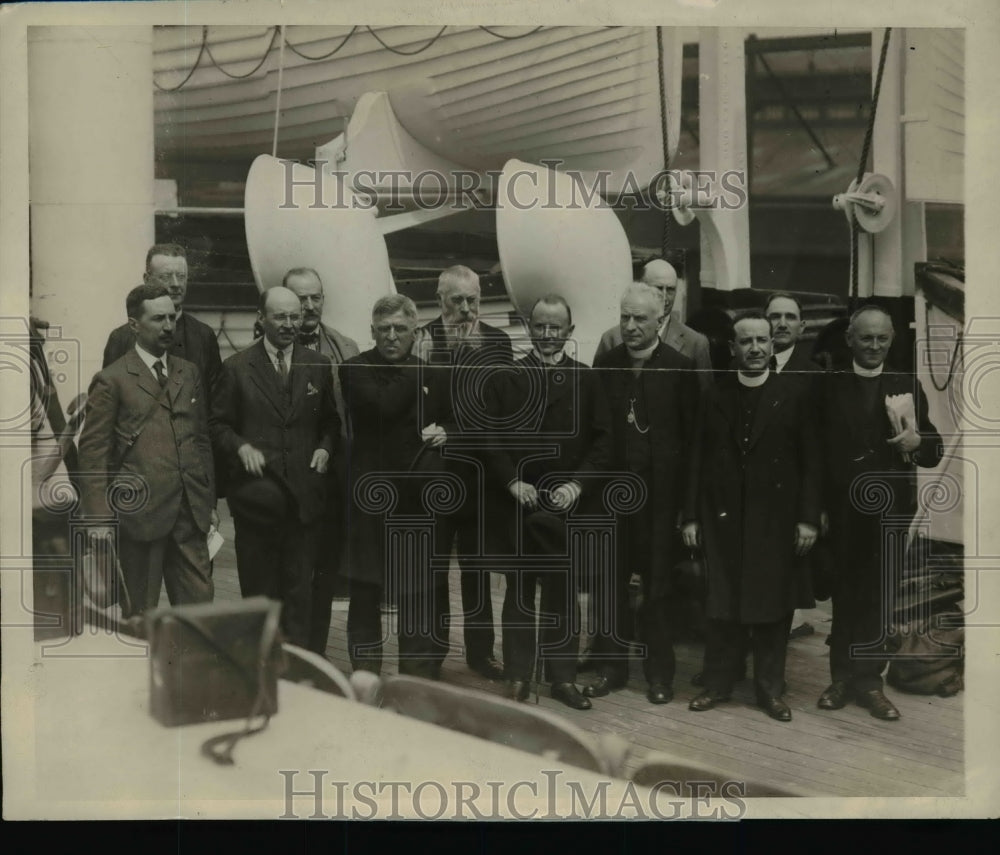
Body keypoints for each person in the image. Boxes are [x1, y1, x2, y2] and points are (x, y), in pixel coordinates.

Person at [682, 311, 820, 722]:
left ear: (772, 345)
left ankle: (770, 691)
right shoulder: (715, 396)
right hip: (722, 521)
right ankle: (718, 683)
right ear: (733, 348)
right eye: (747, 341)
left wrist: (808, 519)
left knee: (773, 611)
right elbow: (695, 461)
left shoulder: (794, 396)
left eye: (762, 340)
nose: (756, 348)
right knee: (721, 605)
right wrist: (690, 517)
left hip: (774, 525)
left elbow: (812, 463)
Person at [481, 295, 612, 710]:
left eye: (557, 327)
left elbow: (605, 442)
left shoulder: (588, 380)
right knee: (519, 591)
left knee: (563, 592)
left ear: (569, 332)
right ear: (528, 327)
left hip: (566, 507)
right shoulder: (506, 378)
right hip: (519, 503)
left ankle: (562, 679)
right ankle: (519, 675)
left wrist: (577, 485)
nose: (548, 334)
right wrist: (512, 481)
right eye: (540, 326)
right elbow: (490, 438)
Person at [815, 304, 943, 721]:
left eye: (881, 338)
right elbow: (812, 453)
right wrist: (816, 508)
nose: (874, 346)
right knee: (844, 593)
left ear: (891, 340)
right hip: (841, 510)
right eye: (865, 338)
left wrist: (914, 444)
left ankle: (869, 682)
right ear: (850, 339)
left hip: (889, 510)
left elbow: (933, 448)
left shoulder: (906, 384)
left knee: (878, 595)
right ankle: (840, 679)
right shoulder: (829, 384)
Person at [588, 282, 699, 705]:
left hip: (660, 503)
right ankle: (611, 669)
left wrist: (687, 510)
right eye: (625, 317)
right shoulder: (608, 365)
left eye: (640, 318)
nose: (631, 326)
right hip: (613, 501)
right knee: (610, 586)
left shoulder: (680, 368)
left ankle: (659, 675)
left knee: (657, 590)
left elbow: (692, 447)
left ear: (659, 320)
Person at [210, 286, 340, 647]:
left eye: (294, 316)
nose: (288, 324)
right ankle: (262, 672)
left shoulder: (317, 365)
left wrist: (326, 448)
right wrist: (240, 446)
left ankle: (299, 674)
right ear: (261, 317)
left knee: (300, 596)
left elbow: (331, 422)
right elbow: (217, 425)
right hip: (257, 501)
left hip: (304, 500)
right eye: (280, 316)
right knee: (259, 595)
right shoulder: (236, 369)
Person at [78, 283, 216, 615]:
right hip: (139, 515)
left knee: (200, 613)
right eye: (158, 319)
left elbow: (200, 439)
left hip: (189, 513)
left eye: (173, 317)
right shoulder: (112, 379)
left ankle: (192, 668)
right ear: (134, 324)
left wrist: (208, 500)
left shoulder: (188, 372)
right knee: (140, 616)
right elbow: (93, 452)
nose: (168, 326)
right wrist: (98, 518)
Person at [414, 265, 513, 681]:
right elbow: (413, 411)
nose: (468, 309)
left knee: (477, 568)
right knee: (433, 567)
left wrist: (451, 431)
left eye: (474, 299)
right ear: (440, 301)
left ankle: (480, 653)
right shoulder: (420, 341)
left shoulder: (498, 343)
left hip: (479, 476)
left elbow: (497, 417)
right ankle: (433, 651)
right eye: (458, 300)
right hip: (435, 476)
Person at [339, 294, 447, 677]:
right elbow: (382, 406)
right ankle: (365, 676)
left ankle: (415, 679)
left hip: (416, 504)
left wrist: (447, 432)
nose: (390, 336)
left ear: (414, 333)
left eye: (400, 329)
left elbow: (453, 420)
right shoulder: (353, 369)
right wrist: (422, 380)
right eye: (383, 329)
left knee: (416, 593)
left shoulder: (433, 374)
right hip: (369, 500)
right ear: (371, 332)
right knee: (366, 591)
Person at [282, 267, 360, 655]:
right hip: (289, 480)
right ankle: (288, 653)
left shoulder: (347, 347)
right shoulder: (272, 352)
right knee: (292, 572)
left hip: (335, 478)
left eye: (315, 297)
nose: (309, 306)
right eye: (300, 300)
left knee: (326, 572)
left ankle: (315, 653)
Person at [102, 244, 222, 392]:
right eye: (166, 277)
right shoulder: (120, 338)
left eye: (181, 276)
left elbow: (216, 401)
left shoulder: (203, 336)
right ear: (147, 279)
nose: (176, 284)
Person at [593, 259, 712, 389]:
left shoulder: (695, 343)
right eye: (658, 288)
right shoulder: (611, 339)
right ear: (641, 287)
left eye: (671, 290)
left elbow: (703, 401)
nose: (665, 297)